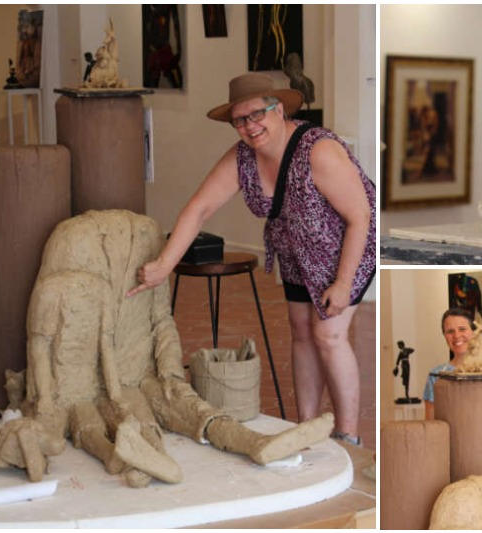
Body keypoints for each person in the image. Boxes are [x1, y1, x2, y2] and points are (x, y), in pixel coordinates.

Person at [127, 72, 376, 446]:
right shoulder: (242, 158)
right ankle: (306, 428)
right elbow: (200, 209)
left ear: (279, 110)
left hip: (346, 246)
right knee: (302, 332)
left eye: (257, 114)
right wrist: (164, 265)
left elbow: (361, 216)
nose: (250, 126)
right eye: (240, 120)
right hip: (294, 247)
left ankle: (348, 436)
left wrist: (342, 283)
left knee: (329, 333)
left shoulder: (318, 151)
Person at [423, 308, 482, 420]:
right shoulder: (436, 374)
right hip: (453, 436)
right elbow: (431, 422)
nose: (456, 336)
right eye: (450, 331)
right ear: (444, 336)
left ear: (473, 332)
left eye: (462, 329)